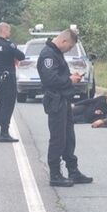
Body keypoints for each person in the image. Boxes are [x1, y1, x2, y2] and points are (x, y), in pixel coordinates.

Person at [37, 29, 93, 187]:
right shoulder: (48, 55)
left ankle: (73, 171)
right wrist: (70, 80)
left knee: (69, 137)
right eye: (69, 48)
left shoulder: (56, 53)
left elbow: (58, 75)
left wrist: (70, 77)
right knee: (58, 138)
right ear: (64, 42)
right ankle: (55, 174)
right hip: (55, 101)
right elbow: (50, 79)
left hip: (64, 100)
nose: (68, 51)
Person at [0, 22, 25, 142]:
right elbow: (21, 56)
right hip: (8, 78)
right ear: (4, 30)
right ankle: (4, 132)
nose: (9, 33)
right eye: (8, 31)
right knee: (8, 105)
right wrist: (14, 50)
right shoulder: (8, 45)